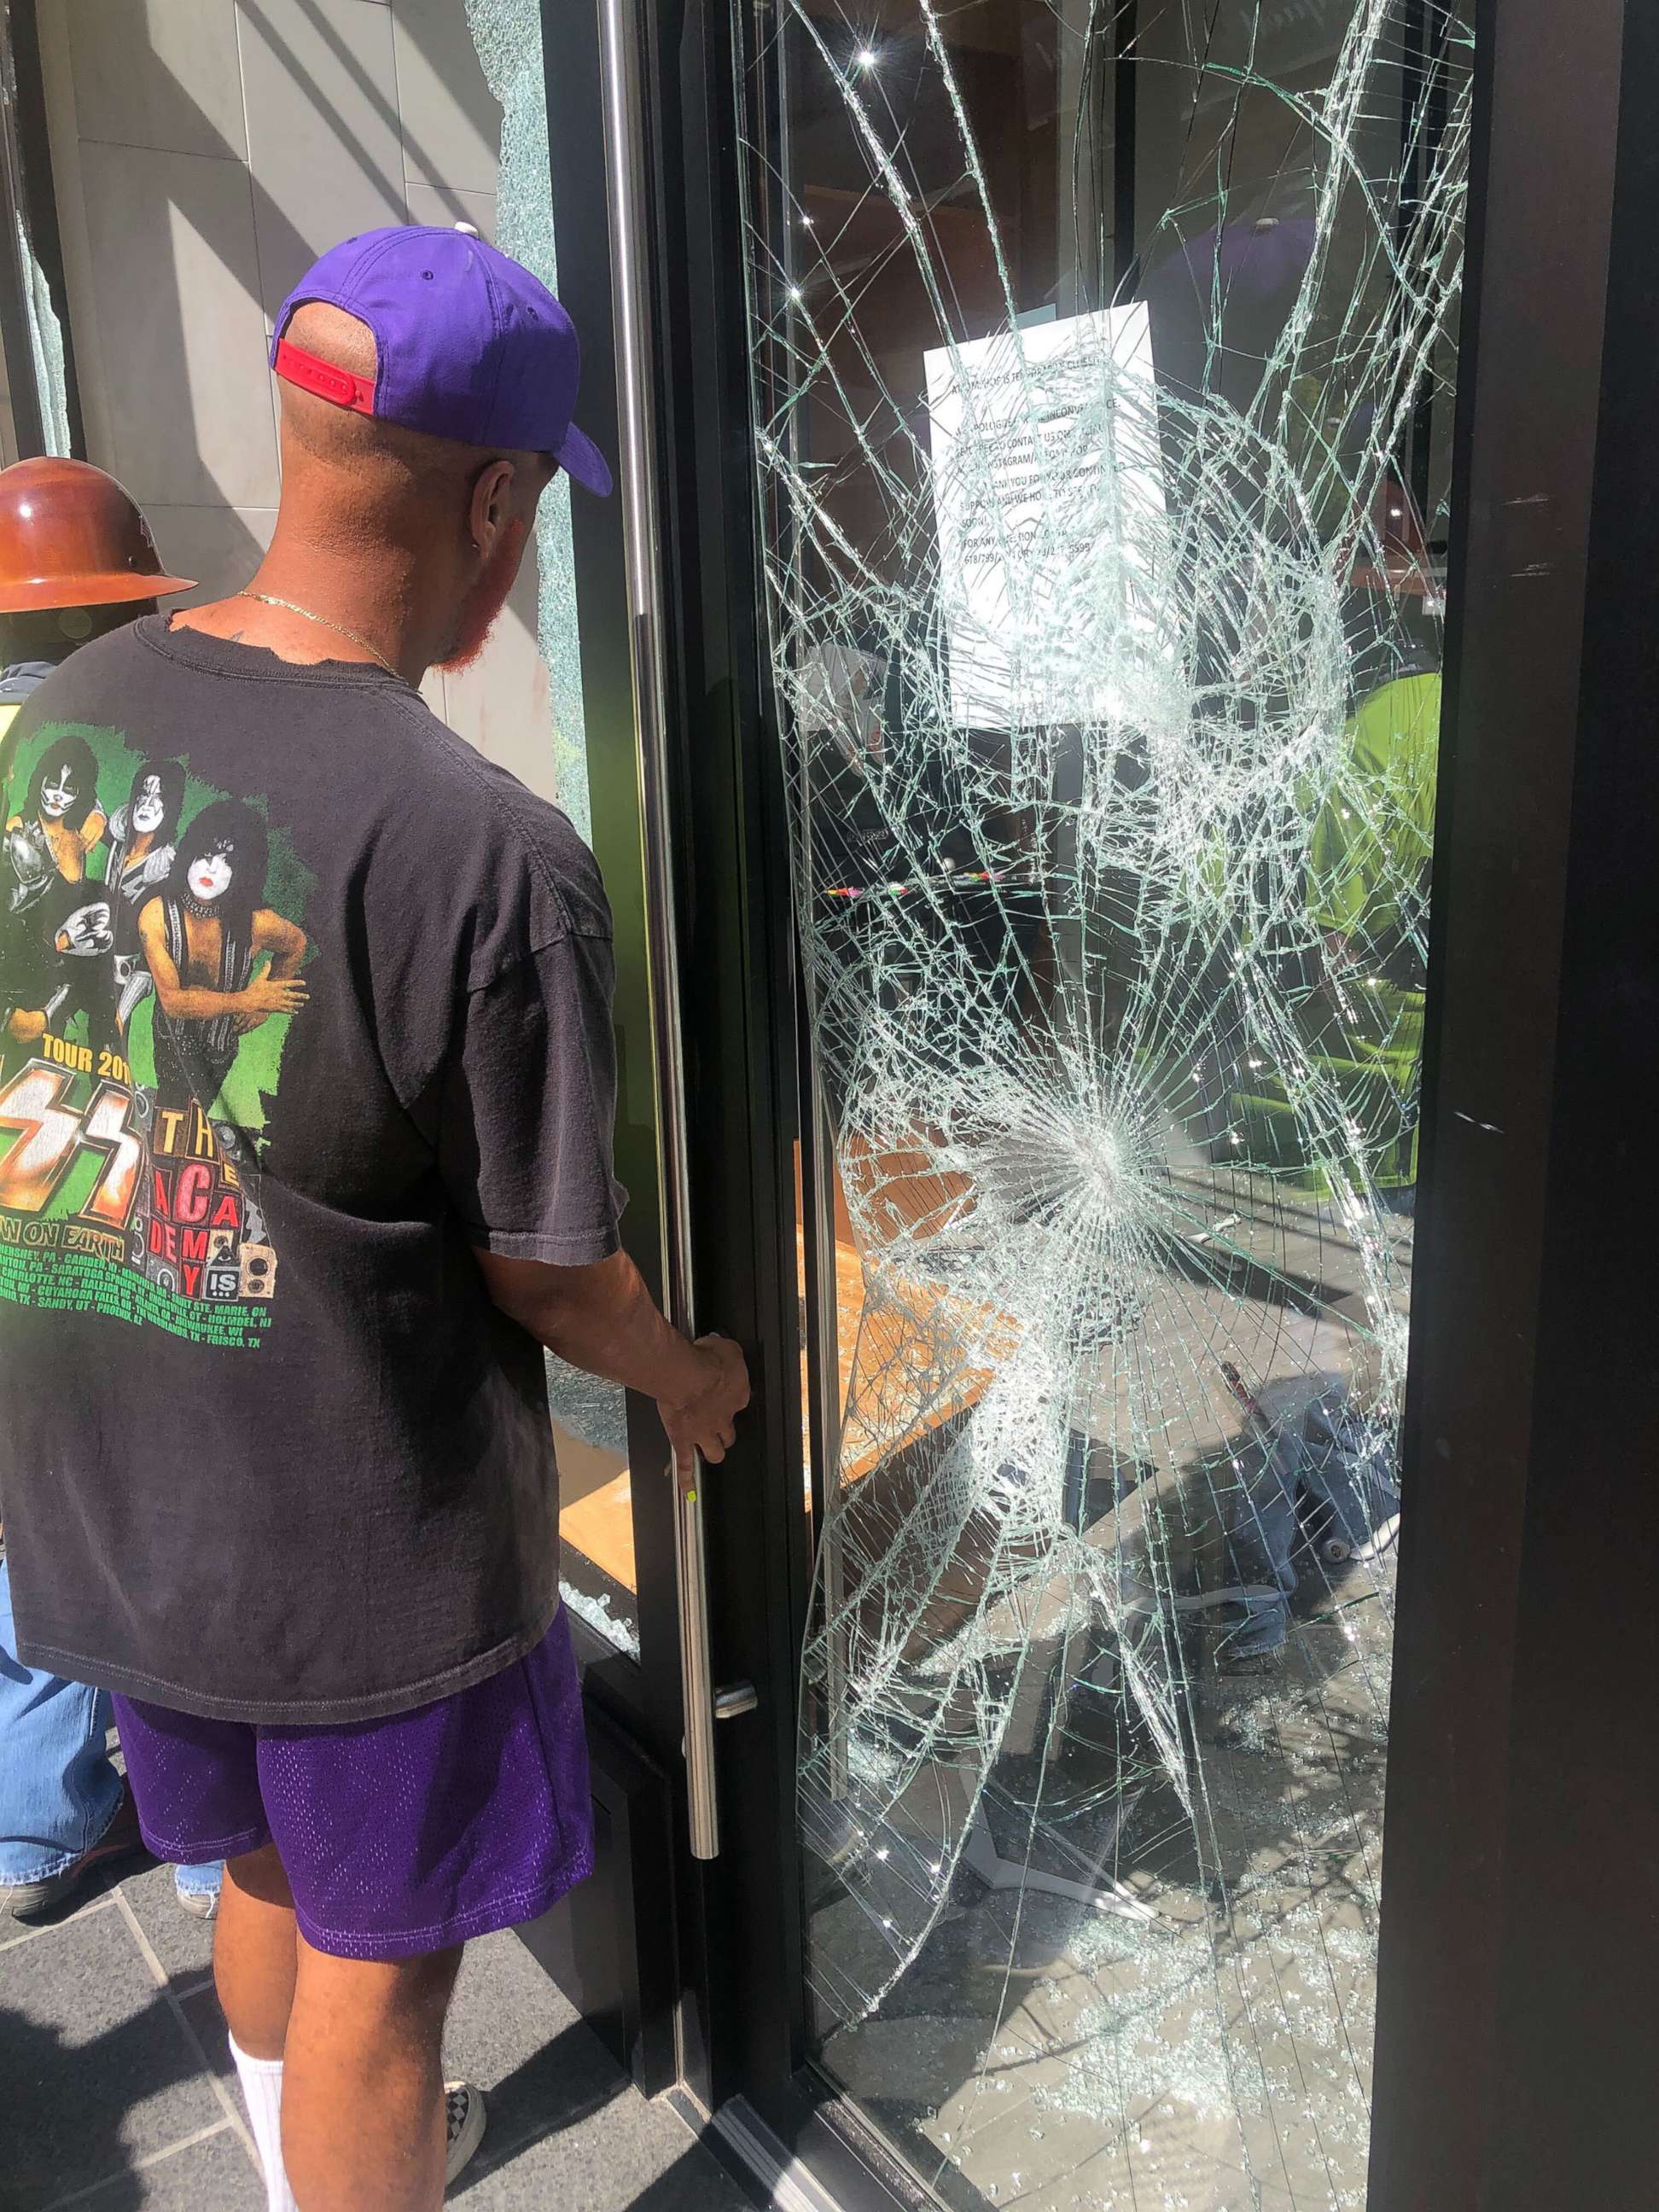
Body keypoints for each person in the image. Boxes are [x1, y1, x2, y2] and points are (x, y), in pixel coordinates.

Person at [0, 226, 751, 2212]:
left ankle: (296, 2162)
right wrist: (689, 1375)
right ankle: (348, 2160)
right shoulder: (482, 854)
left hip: (115, 1490)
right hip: (355, 1546)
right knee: (383, 1972)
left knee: (255, 1862)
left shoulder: (65, 711)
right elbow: (550, 1270)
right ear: (499, 507)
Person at [0, 456, 221, 1925]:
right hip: (88, 1194)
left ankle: (34, 1829)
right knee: (156, 1513)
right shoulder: (129, 771)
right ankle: (217, 1852)